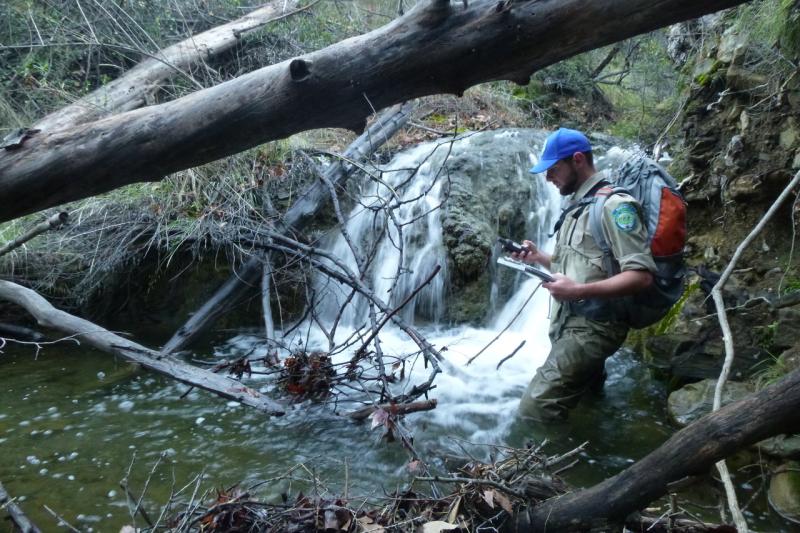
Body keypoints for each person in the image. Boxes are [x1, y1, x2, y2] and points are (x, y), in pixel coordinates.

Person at [512, 127, 656, 422]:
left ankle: (544, 454)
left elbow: (641, 276)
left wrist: (578, 292)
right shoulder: (578, 206)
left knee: (535, 408)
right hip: (570, 321)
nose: (548, 178)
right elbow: (578, 268)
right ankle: (591, 440)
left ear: (577, 160)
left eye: (553, 169)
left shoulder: (616, 207)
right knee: (586, 403)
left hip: (595, 327)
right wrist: (539, 258)